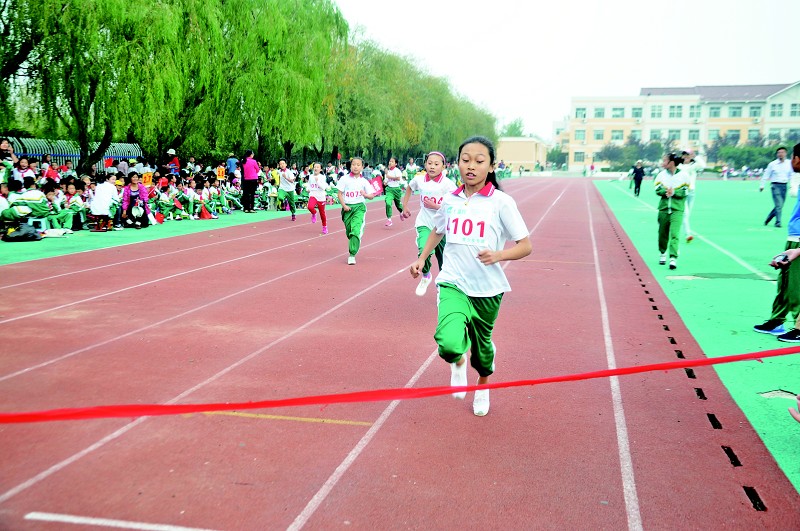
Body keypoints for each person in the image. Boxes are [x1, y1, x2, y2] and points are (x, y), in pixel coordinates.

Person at [409, 136, 531, 416]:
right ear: (457, 164)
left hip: (488, 289)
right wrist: (421, 258)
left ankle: (483, 383)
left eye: (479, 161)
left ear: (490, 167)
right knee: (449, 342)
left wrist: (498, 255)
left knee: (483, 351)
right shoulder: (449, 200)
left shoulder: (501, 202)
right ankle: (458, 363)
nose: (471, 166)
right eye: (465, 160)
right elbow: (438, 231)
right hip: (452, 282)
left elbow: (525, 245)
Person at [754, 143, 800, 340]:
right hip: (793, 238)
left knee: (797, 286)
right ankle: (777, 320)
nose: (791, 161)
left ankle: (799, 327)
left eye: (793, 157)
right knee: (785, 282)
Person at [402, 151, 457, 296]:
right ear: (425, 164)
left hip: (442, 227)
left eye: (436, 164)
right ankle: (426, 276)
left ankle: (443, 284)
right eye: (430, 163)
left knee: (444, 259)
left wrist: (436, 206)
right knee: (423, 251)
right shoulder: (419, 180)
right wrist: (404, 206)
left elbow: (454, 207)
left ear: (443, 166)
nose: (432, 166)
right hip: (424, 222)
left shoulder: (447, 184)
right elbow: (409, 187)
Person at [337, 157, 377, 265]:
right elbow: (339, 194)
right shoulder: (344, 179)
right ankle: (355, 240)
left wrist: (365, 195)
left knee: (355, 231)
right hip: (347, 209)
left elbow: (372, 195)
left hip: (359, 208)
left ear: (362, 167)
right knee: (349, 232)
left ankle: (352, 254)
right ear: (350, 166)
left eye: (358, 165)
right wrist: (344, 205)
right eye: (354, 164)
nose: (356, 166)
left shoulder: (364, 181)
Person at [654, 153, 689, 270]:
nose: (663, 163)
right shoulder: (661, 175)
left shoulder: (684, 176)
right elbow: (657, 189)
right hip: (663, 209)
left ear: (671, 162)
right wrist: (665, 192)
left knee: (675, 234)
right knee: (662, 233)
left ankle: (673, 258)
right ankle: (662, 253)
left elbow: (685, 191)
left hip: (677, 209)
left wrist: (675, 192)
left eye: (665, 161)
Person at [760, 147, 794, 228]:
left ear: (785, 153)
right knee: (779, 205)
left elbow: (792, 175)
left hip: (784, 186)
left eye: (782, 152)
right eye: (779, 152)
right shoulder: (772, 164)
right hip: (775, 186)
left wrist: (793, 185)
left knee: (780, 205)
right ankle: (778, 222)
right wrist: (762, 185)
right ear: (777, 154)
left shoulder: (789, 163)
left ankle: (769, 218)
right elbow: (766, 175)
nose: (780, 154)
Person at [680, 150, 704, 242]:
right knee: (685, 213)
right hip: (682, 192)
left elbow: (702, 165)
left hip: (691, 192)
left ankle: (682, 227)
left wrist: (695, 156)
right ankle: (688, 234)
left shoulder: (693, 166)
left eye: (688, 155)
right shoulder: (679, 166)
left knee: (687, 214)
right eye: (684, 155)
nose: (686, 157)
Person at [306, 162, 329, 234]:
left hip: (321, 196)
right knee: (310, 207)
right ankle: (314, 213)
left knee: (322, 213)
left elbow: (323, 187)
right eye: (315, 167)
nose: (315, 168)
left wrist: (317, 181)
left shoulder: (322, 177)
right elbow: (309, 184)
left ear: (320, 169)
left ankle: (324, 226)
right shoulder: (310, 176)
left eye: (317, 167)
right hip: (313, 194)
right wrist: (308, 189)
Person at [383, 157, 405, 226]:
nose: (390, 162)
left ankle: (401, 212)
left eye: (392, 161)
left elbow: (398, 178)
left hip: (397, 190)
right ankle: (389, 219)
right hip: (389, 189)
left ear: (395, 164)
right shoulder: (387, 172)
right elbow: (385, 181)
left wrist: (389, 177)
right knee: (388, 203)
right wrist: (385, 182)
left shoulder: (397, 170)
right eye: (390, 161)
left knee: (398, 205)